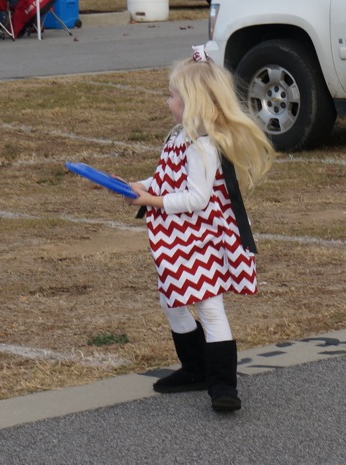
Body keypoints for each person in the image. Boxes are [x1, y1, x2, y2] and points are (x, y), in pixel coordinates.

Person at [124, 45, 275, 412]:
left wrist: (153, 202)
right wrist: (142, 186)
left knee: (209, 306)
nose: (167, 102)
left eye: (173, 95)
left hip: (201, 237)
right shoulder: (179, 136)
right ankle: (195, 368)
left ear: (193, 102)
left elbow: (196, 199)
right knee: (170, 299)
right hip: (180, 238)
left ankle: (223, 386)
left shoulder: (203, 146)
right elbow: (168, 178)